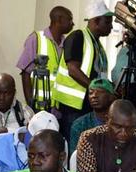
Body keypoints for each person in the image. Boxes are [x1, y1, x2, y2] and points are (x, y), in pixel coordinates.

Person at [53, 0, 113, 139]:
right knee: (74, 149)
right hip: (72, 108)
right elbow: (73, 69)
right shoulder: (78, 37)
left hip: (87, 107)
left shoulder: (97, 45)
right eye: (108, 22)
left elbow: (98, 74)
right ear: (96, 21)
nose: (111, 26)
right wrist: (94, 88)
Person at [16, 6, 74, 110]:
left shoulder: (67, 43)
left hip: (59, 108)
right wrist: (31, 105)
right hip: (39, 107)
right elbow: (25, 73)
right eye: (69, 20)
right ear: (59, 20)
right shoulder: (36, 39)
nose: (72, 24)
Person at [69, 78, 115, 153]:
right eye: (91, 93)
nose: (94, 96)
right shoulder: (80, 125)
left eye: (100, 92)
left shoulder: (120, 123)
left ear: (111, 97)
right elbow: (75, 157)